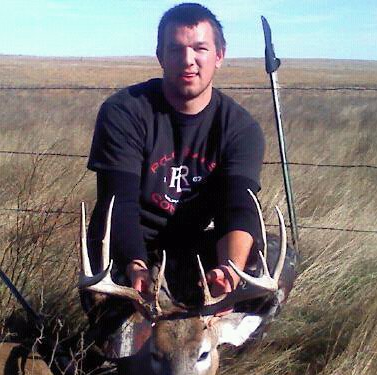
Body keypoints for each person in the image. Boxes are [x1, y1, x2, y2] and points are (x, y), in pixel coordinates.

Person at [85, 2, 266, 316]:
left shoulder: (241, 128)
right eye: (176, 49)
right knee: (127, 343)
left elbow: (237, 206)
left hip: (190, 248)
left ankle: (226, 345)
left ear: (219, 56)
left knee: (268, 263)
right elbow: (117, 202)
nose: (188, 61)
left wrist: (231, 271)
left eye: (200, 48)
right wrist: (136, 267)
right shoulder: (124, 111)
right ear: (161, 56)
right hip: (128, 249)